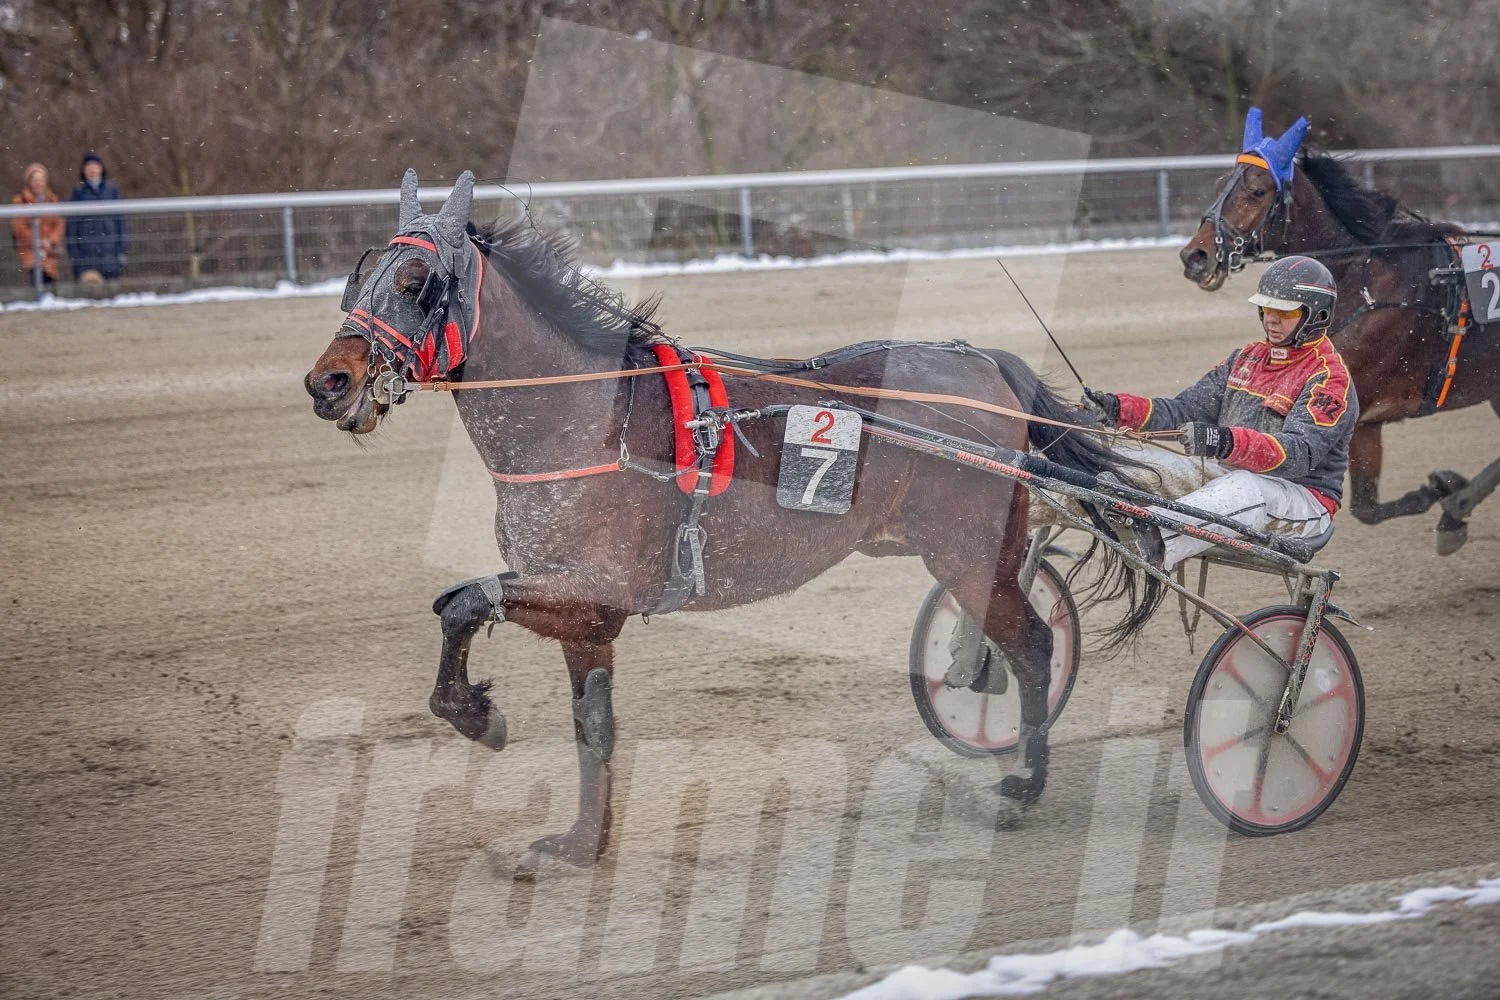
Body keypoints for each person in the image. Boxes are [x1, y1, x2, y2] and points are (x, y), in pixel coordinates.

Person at [1083, 255, 1358, 571]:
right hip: (1231, 481)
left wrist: (1224, 442)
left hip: (1303, 502)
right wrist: (1117, 409)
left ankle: (1154, 539)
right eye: (1267, 308)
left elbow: (1296, 456)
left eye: (1285, 312)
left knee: (1246, 486)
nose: (1271, 319)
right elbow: (1184, 410)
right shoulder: (1246, 358)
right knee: (1132, 460)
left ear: (1317, 315)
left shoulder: (1329, 378)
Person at [66, 152, 128, 283]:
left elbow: (121, 222)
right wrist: (74, 254)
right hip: (86, 254)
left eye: (95, 166)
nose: (92, 170)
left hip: (110, 253)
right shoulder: (78, 192)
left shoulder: (112, 190)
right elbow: (71, 226)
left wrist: (121, 249)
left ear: (101, 168)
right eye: (88, 167)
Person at [9, 163, 65, 286]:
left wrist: (51, 240)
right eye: (35, 180)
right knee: (37, 278)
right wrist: (38, 240)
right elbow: (20, 227)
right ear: (29, 182)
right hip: (30, 249)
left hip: (50, 249)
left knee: (51, 280)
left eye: (41, 180)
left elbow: (59, 223)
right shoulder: (20, 201)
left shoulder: (52, 199)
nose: (38, 183)